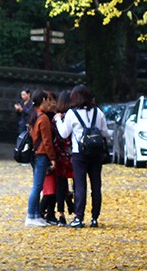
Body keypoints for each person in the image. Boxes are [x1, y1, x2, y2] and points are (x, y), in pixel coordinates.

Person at [55, 84, 109, 228]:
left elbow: (63, 133)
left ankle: (79, 217)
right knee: (96, 185)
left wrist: (58, 120)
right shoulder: (98, 112)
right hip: (96, 153)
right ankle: (94, 218)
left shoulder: (72, 114)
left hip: (79, 153)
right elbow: (105, 133)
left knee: (80, 185)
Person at [25, 90, 57, 227]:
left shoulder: (34, 116)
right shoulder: (43, 118)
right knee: (37, 186)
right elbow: (47, 141)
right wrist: (53, 158)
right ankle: (31, 215)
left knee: (37, 186)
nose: (49, 103)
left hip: (35, 154)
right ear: (43, 100)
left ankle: (36, 215)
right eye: (47, 100)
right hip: (42, 154)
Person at [44, 89, 74, 226]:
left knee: (61, 185)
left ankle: (61, 214)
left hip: (59, 154)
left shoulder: (56, 118)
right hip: (73, 154)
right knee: (76, 184)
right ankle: (76, 211)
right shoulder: (72, 115)